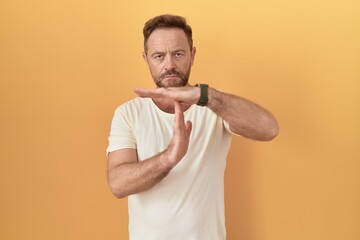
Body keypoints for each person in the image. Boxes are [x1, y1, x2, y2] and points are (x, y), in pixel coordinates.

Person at [106, 14, 279, 240]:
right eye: (159, 56)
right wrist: (169, 157)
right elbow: (118, 184)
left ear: (192, 55)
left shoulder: (215, 107)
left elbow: (269, 128)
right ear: (145, 58)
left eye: (178, 54)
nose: (169, 65)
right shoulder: (128, 113)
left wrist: (205, 95)